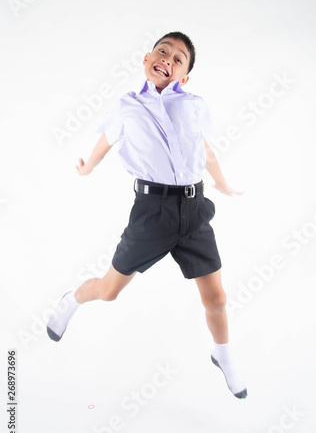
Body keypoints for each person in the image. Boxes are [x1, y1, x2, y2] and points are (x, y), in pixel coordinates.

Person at [47, 31, 247, 399]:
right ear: (146, 58)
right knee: (109, 292)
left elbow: (208, 153)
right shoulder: (128, 107)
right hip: (151, 213)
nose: (167, 59)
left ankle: (223, 355)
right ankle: (72, 299)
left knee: (216, 298)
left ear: (184, 77)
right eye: (162, 51)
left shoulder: (192, 105)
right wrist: (86, 168)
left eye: (178, 59)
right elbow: (105, 142)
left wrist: (223, 184)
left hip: (194, 210)